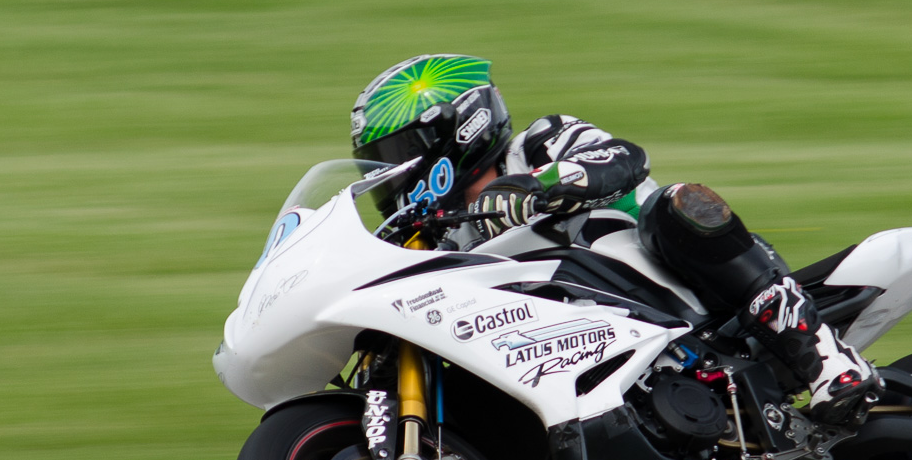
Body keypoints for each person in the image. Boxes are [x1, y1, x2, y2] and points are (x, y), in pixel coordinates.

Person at [350, 54, 878, 424]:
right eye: (380, 163)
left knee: (677, 203)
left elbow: (626, 158)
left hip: (683, 294)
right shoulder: (442, 237)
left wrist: (537, 187)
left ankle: (829, 360)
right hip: (572, 352)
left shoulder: (540, 141)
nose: (393, 174)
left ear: (459, 131)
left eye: (401, 154)